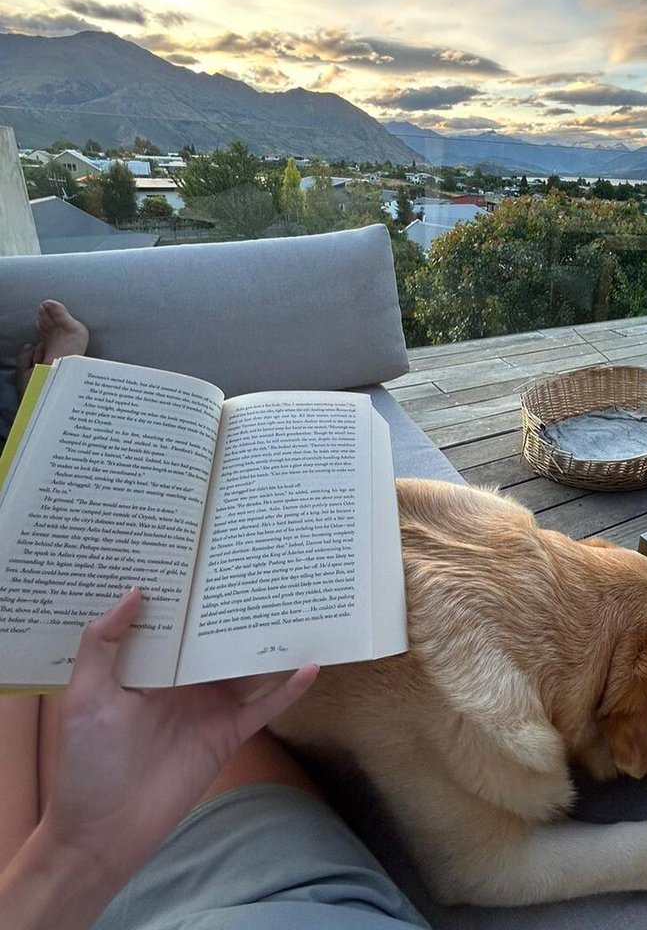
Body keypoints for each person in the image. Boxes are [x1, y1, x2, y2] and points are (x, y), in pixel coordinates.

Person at [0, 303, 432, 930]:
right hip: (287, 877)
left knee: (54, 619)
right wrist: (76, 855)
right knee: (105, 613)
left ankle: (53, 401)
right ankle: (58, 395)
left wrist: (74, 856)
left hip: (167, 871)